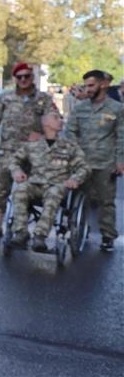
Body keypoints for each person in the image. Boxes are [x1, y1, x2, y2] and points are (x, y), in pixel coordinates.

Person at [0, 62, 57, 238]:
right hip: (8, 151)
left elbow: (54, 121)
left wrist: (44, 136)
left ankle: (20, 226)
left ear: (32, 77)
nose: (23, 80)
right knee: (1, 189)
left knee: (27, 190)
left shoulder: (43, 99)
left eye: (26, 76)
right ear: (15, 78)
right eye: (19, 77)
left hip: (33, 154)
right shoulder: (6, 98)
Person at [8, 112, 88, 252]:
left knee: (53, 194)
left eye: (61, 118)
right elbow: (14, 160)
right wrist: (17, 171)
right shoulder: (32, 146)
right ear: (46, 123)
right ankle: (21, 232)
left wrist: (75, 178)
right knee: (20, 190)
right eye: (56, 118)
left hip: (57, 186)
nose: (61, 120)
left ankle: (40, 236)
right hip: (35, 184)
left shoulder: (69, 147)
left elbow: (84, 167)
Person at [66, 70, 123, 252]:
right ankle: (80, 230)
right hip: (82, 163)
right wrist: (74, 152)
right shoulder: (80, 108)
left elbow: (121, 137)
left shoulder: (117, 109)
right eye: (85, 86)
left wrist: (120, 161)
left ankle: (108, 236)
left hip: (105, 163)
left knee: (106, 202)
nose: (87, 90)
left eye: (91, 86)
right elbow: (70, 131)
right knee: (80, 198)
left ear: (103, 85)